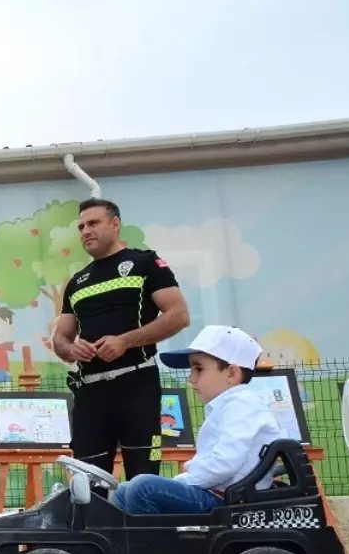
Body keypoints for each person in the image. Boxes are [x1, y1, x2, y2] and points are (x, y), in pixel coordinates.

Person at [51, 198, 190, 480]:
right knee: (88, 483)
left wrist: (124, 341)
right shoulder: (77, 281)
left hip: (137, 385)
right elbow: (61, 339)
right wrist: (71, 348)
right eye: (81, 227)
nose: (85, 231)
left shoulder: (146, 263)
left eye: (93, 223)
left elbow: (178, 315)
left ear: (115, 224)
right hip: (90, 393)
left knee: (142, 478)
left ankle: (140, 525)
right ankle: (94, 525)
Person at [111, 326, 281, 515]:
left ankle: (154, 544)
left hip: (227, 499)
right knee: (123, 491)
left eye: (198, 369)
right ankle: (128, 544)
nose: (191, 378)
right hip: (216, 492)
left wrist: (181, 481)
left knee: (142, 488)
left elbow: (224, 464)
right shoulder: (231, 405)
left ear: (232, 373)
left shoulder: (242, 405)